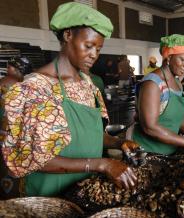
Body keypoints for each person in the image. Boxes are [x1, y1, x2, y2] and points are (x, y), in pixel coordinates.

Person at [0, 2, 137, 198]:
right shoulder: (35, 88)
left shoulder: (88, 84)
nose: (93, 55)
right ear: (68, 35)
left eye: (98, 49)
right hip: (48, 195)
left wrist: (118, 143)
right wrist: (102, 164)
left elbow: (93, 135)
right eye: (88, 46)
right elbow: (35, 158)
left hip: (83, 190)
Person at [130, 34, 184, 156]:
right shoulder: (153, 84)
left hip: (168, 150)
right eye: (183, 59)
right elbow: (150, 127)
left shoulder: (177, 83)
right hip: (147, 152)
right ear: (169, 57)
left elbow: (178, 119)